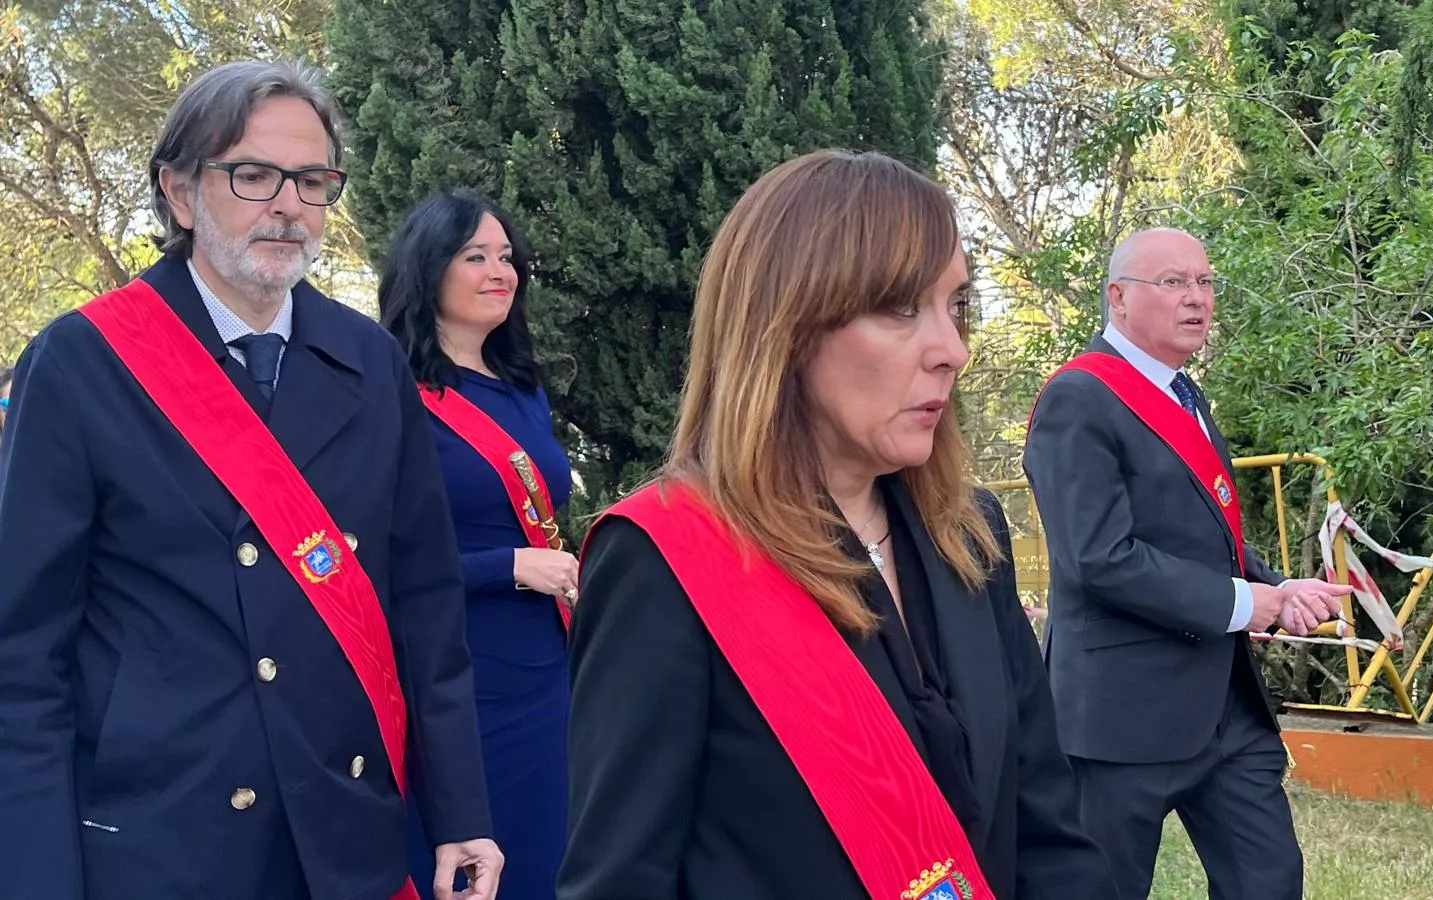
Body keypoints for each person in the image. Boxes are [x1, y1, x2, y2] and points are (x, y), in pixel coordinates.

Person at [0, 59, 503, 900]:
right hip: (160, 837)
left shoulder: (371, 360)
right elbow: (22, 652)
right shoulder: (82, 360)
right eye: (253, 174)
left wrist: (460, 813)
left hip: (340, 832)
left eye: (312, 180)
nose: (288, 205)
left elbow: (425, 602)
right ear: (181, 192)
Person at [557, 149, 1115, 900]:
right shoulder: (665, 561)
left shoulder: (970, 533)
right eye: (901, 308)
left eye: (957, 307)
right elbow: (619, 880)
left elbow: (1048, 831)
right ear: (786, 325)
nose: (953, 350)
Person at [1023, 227, 1352, 900]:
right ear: (1117, 297)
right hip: (1122, 716)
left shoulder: (1184, 394)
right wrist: (1242, 604)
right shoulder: (1078, 399)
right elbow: (1097, 557)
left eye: (1205, 282)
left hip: (1224, 708)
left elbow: (1201, 537)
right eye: (1172, 283)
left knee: (1269, 880)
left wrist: (1274, 588)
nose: (1196, 298)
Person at [380, 189, 577, 900]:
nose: (501, 270)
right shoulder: (391, 394)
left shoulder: (524, 388)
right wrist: (512, 566)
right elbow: (373, 561)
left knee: (554, 855)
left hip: (547, 668)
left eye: (506, 256)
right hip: (463, 677)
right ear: (429, 269)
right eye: (475, 257)